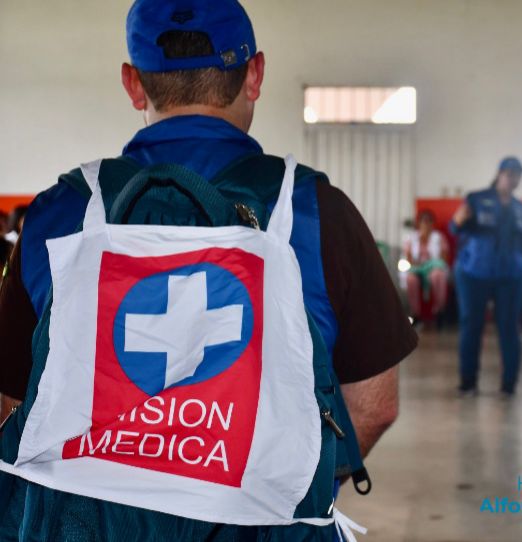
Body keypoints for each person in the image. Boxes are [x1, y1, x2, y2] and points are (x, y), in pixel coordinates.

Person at [0, 1, 416, 538]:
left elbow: (13, 402)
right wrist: (289, 482)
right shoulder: (315, 209)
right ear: (255, 74)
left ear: (133, 84)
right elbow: (375, 405)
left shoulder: (60, 211)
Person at [450, 156, 522, 396]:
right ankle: (468, 382)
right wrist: (458, 220)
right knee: (471, 325)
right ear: (500, 174)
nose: (514, 179)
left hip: (510, 275)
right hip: (474, 271)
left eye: (518, 175)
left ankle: (509, 385)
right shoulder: (476, 199)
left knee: (509, 327)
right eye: (510, 174)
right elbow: (457, 229)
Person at [402, 209, 449, 323]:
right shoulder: (411, 238)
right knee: (411, 279)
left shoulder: (439, 237)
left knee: (437, 275)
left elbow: (444, 258)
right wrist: (420, 265)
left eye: (429, 221)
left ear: (433, 223)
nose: (426, 224)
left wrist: (430, 264)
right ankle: (415, 313)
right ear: (419, 223)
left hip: (434, 268)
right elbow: (408, 259)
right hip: (417, 268)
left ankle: (439, 310)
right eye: (424, 221)